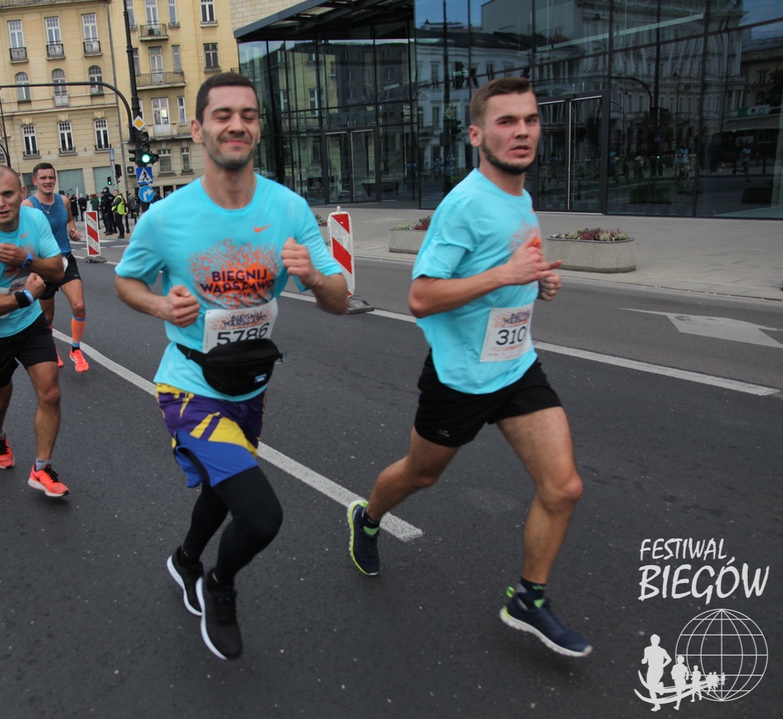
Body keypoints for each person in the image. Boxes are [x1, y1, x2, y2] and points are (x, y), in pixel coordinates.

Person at [346, 77, 591, 658]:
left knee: (563, 487)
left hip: (516, 365)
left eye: (530, 120)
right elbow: (421, 297)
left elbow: (509, 269)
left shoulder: (521, 197)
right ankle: (368, 517)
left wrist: (537, 281)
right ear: (477, 135)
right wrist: (505, 276)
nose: (522, 132)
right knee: (421, 474)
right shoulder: (463, 205)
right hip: (460, 378)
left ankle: (528, 599)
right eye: (507, 122)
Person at [115, 72, 348, 661]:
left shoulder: (288, 208)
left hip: (250, 383)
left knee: (225, 489)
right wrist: (160, 304)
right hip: (187, 383)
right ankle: (219, 585)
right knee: (260, 514)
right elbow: (126, 281)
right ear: (198, 130)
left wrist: (314, 275)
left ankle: (185, 559)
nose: (236, 125)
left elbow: (340, 299)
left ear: (259, 128)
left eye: (248, 114)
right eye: (222, 115)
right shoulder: (166, 218)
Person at [0, 166, 69, 497]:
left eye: (8, 194)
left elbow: (57, 269)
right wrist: (24, 297)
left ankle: (41, 468)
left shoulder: (34, 220)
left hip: (29, 323)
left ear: (22, 193)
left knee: (51, 393)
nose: (1, 203)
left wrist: (26, 260)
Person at [21, 163, 90, 372]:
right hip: (44, 265)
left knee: (79, 305)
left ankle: (75, 349)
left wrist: (72, 232)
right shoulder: (28, 206)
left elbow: (69, 220)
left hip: (65, 259)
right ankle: (51, 349)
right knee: (48, 316)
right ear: (35, 181)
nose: (48, 181)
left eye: (51, 177)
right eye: (43, 178)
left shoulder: (64, 201)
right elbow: (22, 234)